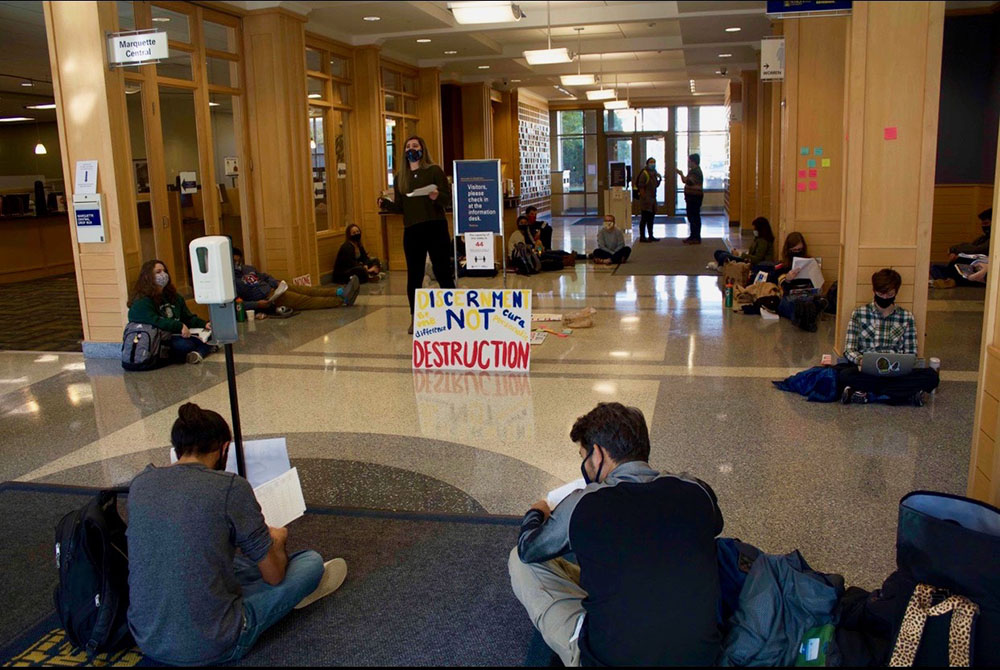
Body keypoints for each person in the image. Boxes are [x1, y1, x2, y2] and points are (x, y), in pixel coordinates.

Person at [127, 403, 348, 665]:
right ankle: (289, 596)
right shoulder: (230, 488)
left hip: (147, 637)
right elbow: (275, 575)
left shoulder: (141, 483)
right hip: (214, 643)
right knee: (309, 563)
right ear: (224, 448)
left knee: (213, 556)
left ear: (177, 449)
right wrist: (278, 536)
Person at [508, 402, 724, 667]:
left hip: (608, 659)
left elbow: (529, 549)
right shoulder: (696, 491)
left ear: (597, 455)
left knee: (519, 562)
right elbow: (715, 525)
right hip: (702, 659)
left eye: (583, 456)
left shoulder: (583, 503)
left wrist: (536, 512)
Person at [378, 136, 455, 333]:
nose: (411, 149)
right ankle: (416, 317)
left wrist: (437, 196)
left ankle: (454, 313)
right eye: (408, 147)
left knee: (442, 271)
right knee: (414, 275)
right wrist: (386, 204)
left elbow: (447, 200)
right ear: (404, 152)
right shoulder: (400, 177)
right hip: (412, 230)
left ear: (422, 148)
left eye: (415, 146)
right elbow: (401, 207)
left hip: (435, 227)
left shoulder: (434, 171)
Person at [838, 269, 940, 406]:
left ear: (896, 292)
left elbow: (911, 353)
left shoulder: (906, 317)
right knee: (845, 374)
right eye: (881, 294)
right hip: (867, 371)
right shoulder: (859, 314)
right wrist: (861, 361)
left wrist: (902, 364)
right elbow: (849, 349)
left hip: (896, 371)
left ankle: (867, 393)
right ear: (874, 291)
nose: (885, 298)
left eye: (890, 294)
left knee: (931, 376)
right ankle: (902, 395)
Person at [127, 259, 213, 365]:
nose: (163, 275)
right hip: (159, 338)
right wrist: (178, 325)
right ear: (148, 276)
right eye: (158, 272)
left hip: (178, 334)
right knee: (186, 345)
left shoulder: (175, 297)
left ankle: (196, 354)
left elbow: (187, 317)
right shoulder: (142, 301)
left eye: (164, 271)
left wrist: (204, 324)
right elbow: (155, 321)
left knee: (211, 337)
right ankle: (199, 351)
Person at [233, 248, 360, 313]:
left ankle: (340, 291)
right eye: (234, 261)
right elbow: (237, 304)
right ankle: (341, 300)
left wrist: (274, 282)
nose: (237, 264)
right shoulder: (232, 281)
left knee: (308, 290)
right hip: (268, 298)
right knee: (305, 299)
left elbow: (264, 276)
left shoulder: (248, 268)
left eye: (239, 260)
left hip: (275, 287)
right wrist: (257, 305)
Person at [930, 208, 991, 288]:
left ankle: (952, 280)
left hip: (981, 267)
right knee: (935, 267)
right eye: (982, 224)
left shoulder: (994, 240)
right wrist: (954, 251)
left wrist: (958, 252)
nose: (984, 227)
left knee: (960, 260)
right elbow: (969, 246)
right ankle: (949, 279)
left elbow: (977, 250)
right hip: (971, 265)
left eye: (986, 223)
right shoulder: (982, 238)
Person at [509, 215, 576, 271]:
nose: (523, 225)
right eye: (521, 223)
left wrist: (540, 249)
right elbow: (523, 250)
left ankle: (568, 258)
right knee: (544, 258)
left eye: (525, 223)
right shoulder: (517, 235)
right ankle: (566, 261)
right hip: (519, 259)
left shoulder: (527, 233)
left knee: (546, 252)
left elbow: (534, 244)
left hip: (529, 255)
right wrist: (537, 251)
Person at [677, 153, 704, 245]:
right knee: (692, 217)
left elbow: (688, 181)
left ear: (694, 162)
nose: (688, 163)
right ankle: (692, 236)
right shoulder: (693, 171)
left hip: (694, 198)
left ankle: (696, 237)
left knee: (694, 217)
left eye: (689, 161)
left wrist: (681, 174)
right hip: (691, 197)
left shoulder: (695, 172)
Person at [633, 157, 662, 242]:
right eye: (651, 162)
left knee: (651, 218)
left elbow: (655, 185)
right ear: (647, 163)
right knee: (644, 218)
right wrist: (644, 198)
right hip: (646, 200)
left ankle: (651, 235)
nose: (653, 164)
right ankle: (642, 236)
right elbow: (641, 186)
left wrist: (659, 179)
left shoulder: (654, 173)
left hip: (652, 199)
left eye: (654, 162)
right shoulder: (644, 173)